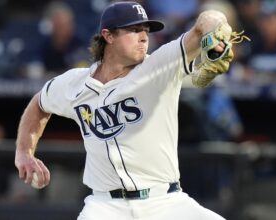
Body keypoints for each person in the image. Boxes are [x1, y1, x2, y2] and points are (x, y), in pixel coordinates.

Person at [14, 1, 235, 219]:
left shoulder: (158, 67)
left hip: (165, 202)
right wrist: (24, 151)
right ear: (108, 36)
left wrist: (213, 33)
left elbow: (210, 19)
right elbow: (39, 104)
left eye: (146, 30)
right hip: (105, 207)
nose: (144, 37)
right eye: (134, 30)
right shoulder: (74, 83)